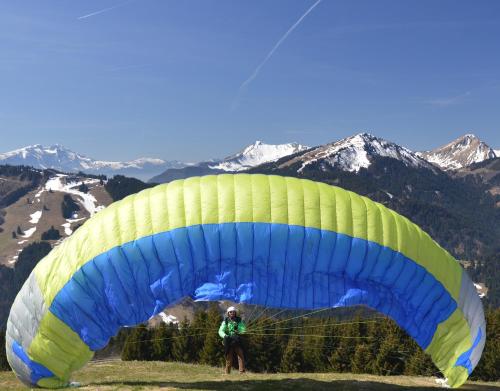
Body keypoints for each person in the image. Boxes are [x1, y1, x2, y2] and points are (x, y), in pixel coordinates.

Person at [218, 306, 246, 374]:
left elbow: (243, 329)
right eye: (230, 312)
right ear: (228, 313)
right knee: (229, 357)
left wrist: (239, 332)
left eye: (233, 312)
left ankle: (241, 372)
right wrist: (225, 336)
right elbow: (221, 331)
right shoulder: (226, 321)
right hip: (229, 341)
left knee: (240, 355)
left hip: (236, 340)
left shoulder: (239, 321)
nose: (232, 313)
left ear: (235, 313)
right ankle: (227, 372)